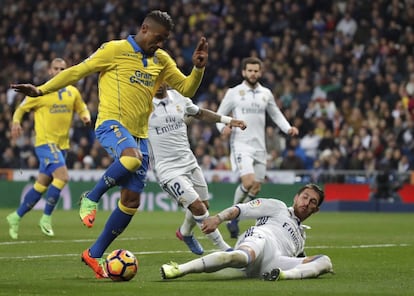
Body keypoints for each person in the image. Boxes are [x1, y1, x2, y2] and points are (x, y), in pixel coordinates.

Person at [11, 10, 208, 279]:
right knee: (132, 157)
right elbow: (77, 71)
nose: (160, 44)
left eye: (164, 40)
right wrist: (42, 89)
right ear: (145, 29)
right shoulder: (114, 50)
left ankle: (93, 254)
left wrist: (197, 68)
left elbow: (185, 90)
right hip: (111, 124)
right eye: (158, 38)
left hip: (139, 135)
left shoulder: (161, 59)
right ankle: (90, 197)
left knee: (131, 201)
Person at [160, 184, 333, 281]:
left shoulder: (302, 236)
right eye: (304, 197)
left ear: (315, 209)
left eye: (312, 202)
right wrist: (218, 219)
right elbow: (241, 209)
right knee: (237, 257)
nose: (306, 202)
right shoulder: (277, 206)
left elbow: (300, 258)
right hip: (261, 239)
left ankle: (282, 276)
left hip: (275, 262)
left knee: (325, 262)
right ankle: (179, 269)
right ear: (296, 197)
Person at [148, 83, 246, 255]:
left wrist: (228, 120)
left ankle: (185, 232)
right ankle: (226, 249)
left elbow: (200, 113)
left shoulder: (179, 98)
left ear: (166, 79)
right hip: (167, 169)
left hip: (189, 161)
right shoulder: (142, 103)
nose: (156, 82)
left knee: (204, 205)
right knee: (199, 208)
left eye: (160, 77)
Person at [6, 58, 91, 239]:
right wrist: (15, 122)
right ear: (50, 71)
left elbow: (81, 106)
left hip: (62, 146)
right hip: (45, 143)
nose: (60, 71)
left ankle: (15, 216)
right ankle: (46, 217)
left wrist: (85, 116)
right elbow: (21, 109)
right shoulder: (40, 92)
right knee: (63, 177)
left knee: (41, 185)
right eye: (56, 68)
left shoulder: (72, 92)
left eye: (63, 68)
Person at [215, 57, 299, 238]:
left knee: (256, 188)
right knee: (248, 182)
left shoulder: (266, 93)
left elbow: (275, 114)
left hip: (260, 146)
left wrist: (287, 128)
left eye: (256, 70)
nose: (253, 73)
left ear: (260, 72)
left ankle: (237, 215)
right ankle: (232, 218)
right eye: (250, 70)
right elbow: (219, 114)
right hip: (241, 144)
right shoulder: (234, 92)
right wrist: (223, 128)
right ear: (244, 72)